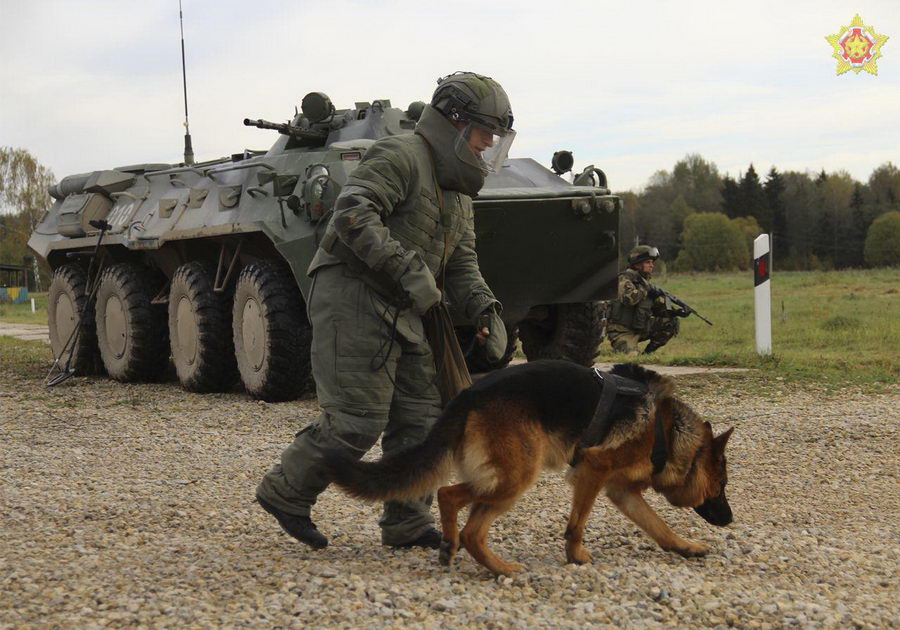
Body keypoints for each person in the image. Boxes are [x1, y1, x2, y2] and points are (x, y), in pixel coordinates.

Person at [255, 72, 514, 550]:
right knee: (357, 418)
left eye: (496, 136)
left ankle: (407, 523)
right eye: (484, 132)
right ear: (454, 123)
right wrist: (411, 272)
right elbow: (352, 213)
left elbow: (462, 261)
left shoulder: (457, 191)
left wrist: (484, 308)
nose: (489, 144)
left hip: (409, 306)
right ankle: (285, 492)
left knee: (423, 421)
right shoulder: (399, 155)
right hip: (354, 294)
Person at [606, 245, 679, 355]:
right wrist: (647, 290)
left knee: (670, 321)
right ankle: (624, 347)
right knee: (631, 357)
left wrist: (674, 311)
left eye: (652, 262)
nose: (652, 265)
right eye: (648, 262)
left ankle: (648, 353)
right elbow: (629, 299)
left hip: (640, 327)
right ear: (638, 263)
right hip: (622, 331)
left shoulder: (644, 282)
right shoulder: (624, 279)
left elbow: (657, 307)